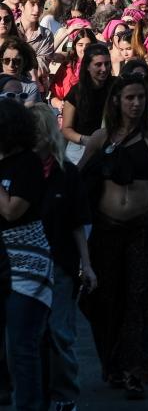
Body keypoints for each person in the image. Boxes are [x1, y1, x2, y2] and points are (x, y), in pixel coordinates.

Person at [77, 70, 148, 398]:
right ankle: (114, 364)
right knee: (105, 300)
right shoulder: (100, 139)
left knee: (139, 300)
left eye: (141, 98)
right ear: (117, 102)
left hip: (142, 229)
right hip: (106, 230)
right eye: (130, 98)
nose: (136, 104)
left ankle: (137, 371)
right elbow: (78, 182)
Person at [31, 104, 93, 411]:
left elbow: (77, 224)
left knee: (59, 333)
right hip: (27, 265)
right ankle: (39, 393)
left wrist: (87, 265)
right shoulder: (19, 170)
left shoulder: (67, 174)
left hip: (61, 264)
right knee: (31, 334)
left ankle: (65, 394)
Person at [0, 98, 52, 411]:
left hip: (27, 262)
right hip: (3, 261)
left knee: (23, 346)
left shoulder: (28, 164)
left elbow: (10, 210)